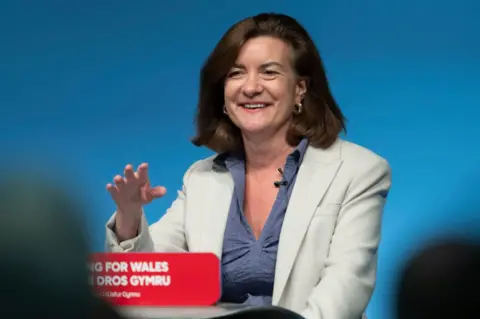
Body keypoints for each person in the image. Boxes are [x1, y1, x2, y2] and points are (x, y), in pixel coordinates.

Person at [105, 12, 392, 319]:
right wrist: (130, 218)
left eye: (269, 73)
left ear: (300, 89)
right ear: (223, 95)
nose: (251, 87)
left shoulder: (358, 170)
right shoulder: (202, 178)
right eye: (236, 73)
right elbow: (149, 285)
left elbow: (344, 291)